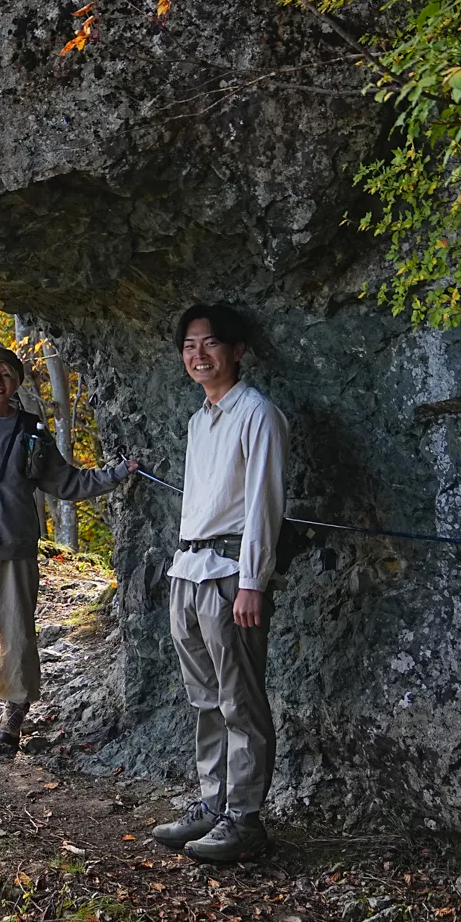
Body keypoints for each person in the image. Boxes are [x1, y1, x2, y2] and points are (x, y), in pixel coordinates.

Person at [0, 346, 135, 756]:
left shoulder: (31, 430)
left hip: (18, 548)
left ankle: (14, 714)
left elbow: (66, 483)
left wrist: (117, 475)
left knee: (19, 633)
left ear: (17, 382)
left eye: (6, 375)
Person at [151, 303, 288, 863]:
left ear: (236, 350)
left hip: (232, 573)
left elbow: (263, 503)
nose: (197, 354)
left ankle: (245, 819)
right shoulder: (198, 420)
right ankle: (213, 805)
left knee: (240, 701)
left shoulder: (257, 413)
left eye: (209, 343)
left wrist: (254, 580)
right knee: (205, 699)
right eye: (188, 345)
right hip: (188, 569)